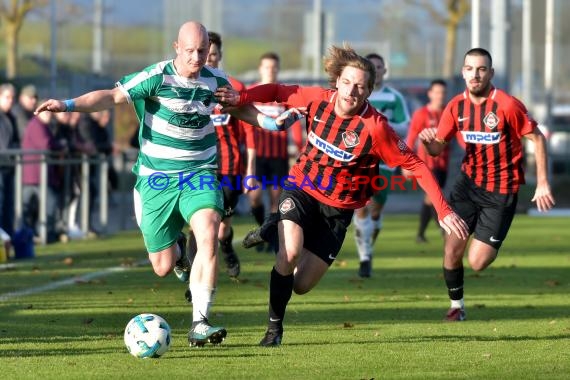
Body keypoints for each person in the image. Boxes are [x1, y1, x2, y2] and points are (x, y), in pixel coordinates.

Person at [217, 44, 469, 346]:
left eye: (360, 87)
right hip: (302, 189)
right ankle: (274, 329)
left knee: (301, 285)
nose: (352, 91)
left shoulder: (375, 128)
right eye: (347, 82)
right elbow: (277, 90)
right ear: (337, 80)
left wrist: (443, 210)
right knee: (289, 253)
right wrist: (242, 97)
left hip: (338, 210)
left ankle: (273, 224)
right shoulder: (316, 99)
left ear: (369, 92)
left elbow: (415, 165)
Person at [35, 21, 236, 347]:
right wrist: (68, 105)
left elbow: (243, 108)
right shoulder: (156, 76)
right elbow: (111, 97)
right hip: (156, 178)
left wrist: (273, 118)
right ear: (176, 47)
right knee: (162, 266)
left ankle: (200, 321)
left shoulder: (218, 81)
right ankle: (177, 250)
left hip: (200, 172)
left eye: (203, 51)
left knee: (210, 233)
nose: (198, 57)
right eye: (191, 51)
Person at [418, 48, 555, 321]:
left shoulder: (507, 105)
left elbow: (537, 138)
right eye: (470, 68)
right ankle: (456, 307)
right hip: (467, 186)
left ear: (490, 73)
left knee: (478, 262)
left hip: (501, 192)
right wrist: (426, 140)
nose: (475, 74)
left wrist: (542, 183)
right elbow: (436, 149)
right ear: (463, 72)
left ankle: (486, 242)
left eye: (481, 69)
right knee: (451, 249)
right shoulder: (455, 106)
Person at [352, 53, 411, 278]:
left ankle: (370, 245)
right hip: (358, 159)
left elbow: (405, 126)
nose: (375, 71)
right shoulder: (355, 94)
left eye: (378, 67)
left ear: (384, 71)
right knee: (361, 206)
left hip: (383, 159)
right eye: (371, 67)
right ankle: (364, 257)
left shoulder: (393, 97)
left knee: (375, 209)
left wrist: (380, 125)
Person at [205, 31, 256, 278]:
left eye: (213, 55)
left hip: (229, 167)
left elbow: (248, 131)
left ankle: (226, 247)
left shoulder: (234, 87)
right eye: (205, 54)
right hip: (200, 167)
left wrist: (250, 170)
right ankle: (198, 278)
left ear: (219, 56)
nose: (208, 60)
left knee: (222, 229)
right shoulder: (188, 87)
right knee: (203, 226)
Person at [246, 52, 302, 252]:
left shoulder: (284, 95)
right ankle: (264, 230)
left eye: (274, 67)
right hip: (257, 154)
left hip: (278, 155)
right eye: (267, 67)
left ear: (278, 69)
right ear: (260, 69)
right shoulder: (251, 92)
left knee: (276, 198)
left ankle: (270, 237)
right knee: (255, 197)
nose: (270, 70)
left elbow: (294, 122)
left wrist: (298, 145)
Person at [405, 79, 452, 243]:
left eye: (443, 92)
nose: (440, 96)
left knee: (433, 197)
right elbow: (411, 137)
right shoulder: (421, 114)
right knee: (432, 196)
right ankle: (439, 229)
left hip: (443, 163)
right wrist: (406, 163)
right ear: (430, 94)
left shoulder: (448, 113)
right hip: (425, 164)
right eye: (437, 92)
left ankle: (426, 232)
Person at [21, 107, 66, 242]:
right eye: (45, 112)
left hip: (36, 175)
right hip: (36, 175)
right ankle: (44, 235)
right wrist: (61, 145)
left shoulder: (42, 125)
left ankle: (33, 235)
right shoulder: (36, 125)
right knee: (45, 205)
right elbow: (45, 144)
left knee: (33, 208)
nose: (48, 115)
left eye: (49, 112)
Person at [0, 83, 19, 238]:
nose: (10, 101)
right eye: (7, 97)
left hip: (8, 166)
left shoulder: (11, 117)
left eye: (12, 97)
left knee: (8, 207)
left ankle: (8, 241)